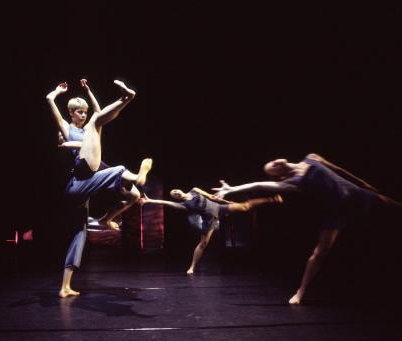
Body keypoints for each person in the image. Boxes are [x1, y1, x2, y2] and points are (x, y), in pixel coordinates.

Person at [213, 153, 402, 305]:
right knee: (320, 251)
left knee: (396, 206)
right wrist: (231, 189)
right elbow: (257, 184)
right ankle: (301, 292)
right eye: (272, 166)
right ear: (278, 174)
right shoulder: (290, 184)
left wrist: (363, 183)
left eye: (273, 160)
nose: (275, 161)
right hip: (337, 210)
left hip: (357, 196)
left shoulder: (311, 158)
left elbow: (340, 170)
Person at [46, 79, 152, 297]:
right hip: (79, 180)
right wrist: (57, 92)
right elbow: (50, 101)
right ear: (71, 113)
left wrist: (88, 90)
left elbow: (98, 111)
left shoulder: (89, 133)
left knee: (80, 234)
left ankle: (64, 286)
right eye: (79, 112)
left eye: (85, 112)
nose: (84, 115)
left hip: (84, 188)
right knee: (114, 158)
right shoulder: (66, 128)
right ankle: (127, 98)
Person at [141, 187, 283, 274]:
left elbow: (211, 196)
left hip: (218, 208)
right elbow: (166, 203)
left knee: (245, 206)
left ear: (180, 189)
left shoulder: (195, 190)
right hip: (209, 219)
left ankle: (270, 199)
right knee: (203, 244)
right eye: (173, 194)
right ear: (175, 197)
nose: (175, 193)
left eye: (176, 190)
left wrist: (227, 202)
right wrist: (151, 201)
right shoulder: (184, 205)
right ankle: (192, 267)